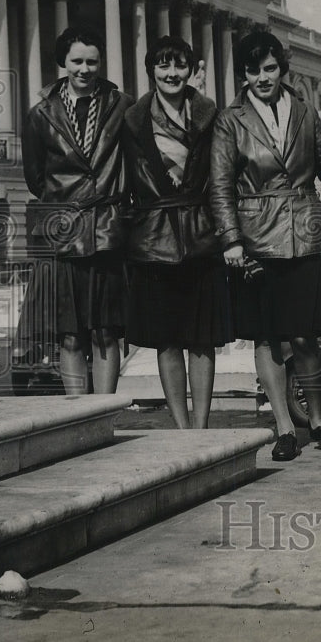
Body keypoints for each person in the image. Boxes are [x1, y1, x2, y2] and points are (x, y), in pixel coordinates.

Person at [210, 30, 321, 461]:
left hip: (305, 234)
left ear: (282, 68)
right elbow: (219, 185)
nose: (261, 78)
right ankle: (283, 427)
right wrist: (231, 240)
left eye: (269, 68)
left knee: (305, 336)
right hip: (255, 240)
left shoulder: (306, 111)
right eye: (252, 70)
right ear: (243, 74)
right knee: (268, 338)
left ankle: (318, 420)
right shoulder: (229, 119)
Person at [122, 35, 230, 428]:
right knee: (167, 339)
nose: (172, 73)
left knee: (202, 339)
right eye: (163, 65)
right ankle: (182, 429)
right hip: (153, 241)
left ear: (192, 69)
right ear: (151, 70)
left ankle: (201, 426)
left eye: (179, 65)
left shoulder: (208, 115)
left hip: (201, 237)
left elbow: (222, 177)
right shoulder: (133, 120)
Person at [19, 25, 132, 394]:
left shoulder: (122, 106)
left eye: (92, 61)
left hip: (106, 230)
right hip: (63, 231)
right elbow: (36, 176)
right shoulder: (41, 113)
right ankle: (79, 419)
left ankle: (104, 414)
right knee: (69, 336)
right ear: (63, 62)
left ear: (102, 63)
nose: (85, 69)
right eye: (77, 61)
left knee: (104, 332)